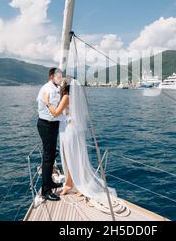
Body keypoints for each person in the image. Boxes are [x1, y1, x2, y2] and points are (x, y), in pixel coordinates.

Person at [43, 78, 120, 211]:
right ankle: (72, 183)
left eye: (61, 84)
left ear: (65, 87)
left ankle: (74, 184)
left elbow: (55, 113)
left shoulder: (66, 97)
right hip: (72, 129)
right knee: (74, 156)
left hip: (68, 130)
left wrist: (47, 101)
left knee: (69, 157)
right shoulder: (74, 98)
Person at [36, 68, 65, 201]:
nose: (60, 78)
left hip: (51, 124)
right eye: (58, 76)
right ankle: (45, 191)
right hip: (47, 124)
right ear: (52, 76)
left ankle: (50, 183)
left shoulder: (54, 87)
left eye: (61, 76)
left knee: (51, 155)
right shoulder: (49, 89)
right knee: (48, 157)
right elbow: (55, 111)